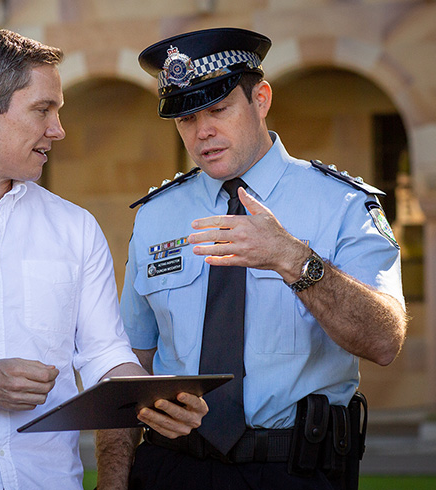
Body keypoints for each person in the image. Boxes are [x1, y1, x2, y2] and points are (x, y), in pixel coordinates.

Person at [0, 29, 208, 490]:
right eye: (43, 110)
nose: (58, 129)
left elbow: (105, 354)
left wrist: (153, 398)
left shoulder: (74, 228)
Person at [119, 27, 408, 489]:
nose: (203, 132)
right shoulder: (157, 215)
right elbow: (128, 356)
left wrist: (292, 259)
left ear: (261, 98)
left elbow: (384, 341)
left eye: (218, 109)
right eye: (186, 119)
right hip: (172, 467)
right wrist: (114, 478)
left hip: (292, 469)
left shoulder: (340, 205)